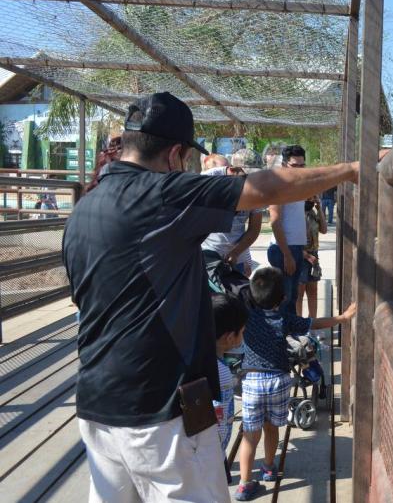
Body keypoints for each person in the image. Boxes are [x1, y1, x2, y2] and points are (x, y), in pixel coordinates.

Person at [62, 92, 365, 502]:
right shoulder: (163, 194)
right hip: (162, 408)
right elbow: (264, 187)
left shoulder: (84, 207)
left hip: (96, 404)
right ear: (175, 156)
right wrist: (349, 170)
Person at [236, 267, 356, 500]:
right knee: (272, 428)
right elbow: (313, 323)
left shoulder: (247, 317)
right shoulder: (284, 319)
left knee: (250, 435)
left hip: (251, 381)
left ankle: (244, 483)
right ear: (282, 299)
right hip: (279, 381)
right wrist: (342, 318)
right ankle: (269, 468)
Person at [202, 154, 263, 276]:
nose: (249, 179)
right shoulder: (211, 177)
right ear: (233, 169)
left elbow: (254, 229)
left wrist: (237, 253)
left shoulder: (256, 189)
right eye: (246, 174)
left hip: (237, 259)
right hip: (208, 256)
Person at [268, 145, 311, 316]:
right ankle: (282, 337)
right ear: (285, 164)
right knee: (284, 299)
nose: (299, 170)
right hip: (283, 249)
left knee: (292, 297)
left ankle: (290, 335)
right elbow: (275, 222)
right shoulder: (278, 187)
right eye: (295, 166)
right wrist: (286, 254)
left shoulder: (298, 186)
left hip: (295, 248)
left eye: (302, 166)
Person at [211, 293, 247, 457]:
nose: (242, 338)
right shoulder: (222, 373)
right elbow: (219, 414)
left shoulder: (203, 361)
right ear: (230, 337)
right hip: (213, 453)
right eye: (242, 333)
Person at [298, 195, 327, 318]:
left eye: (312, 198)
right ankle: (299, 324)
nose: (310, 199)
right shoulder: (296, 214)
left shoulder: (312, 214)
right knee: (299, 294)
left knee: (313, 292)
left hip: (314, 256)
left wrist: (319, 208)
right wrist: (306, 256)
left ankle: (313, 324)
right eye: (308, 197)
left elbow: (324, 230)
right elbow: (291, 241)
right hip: (300, 256)